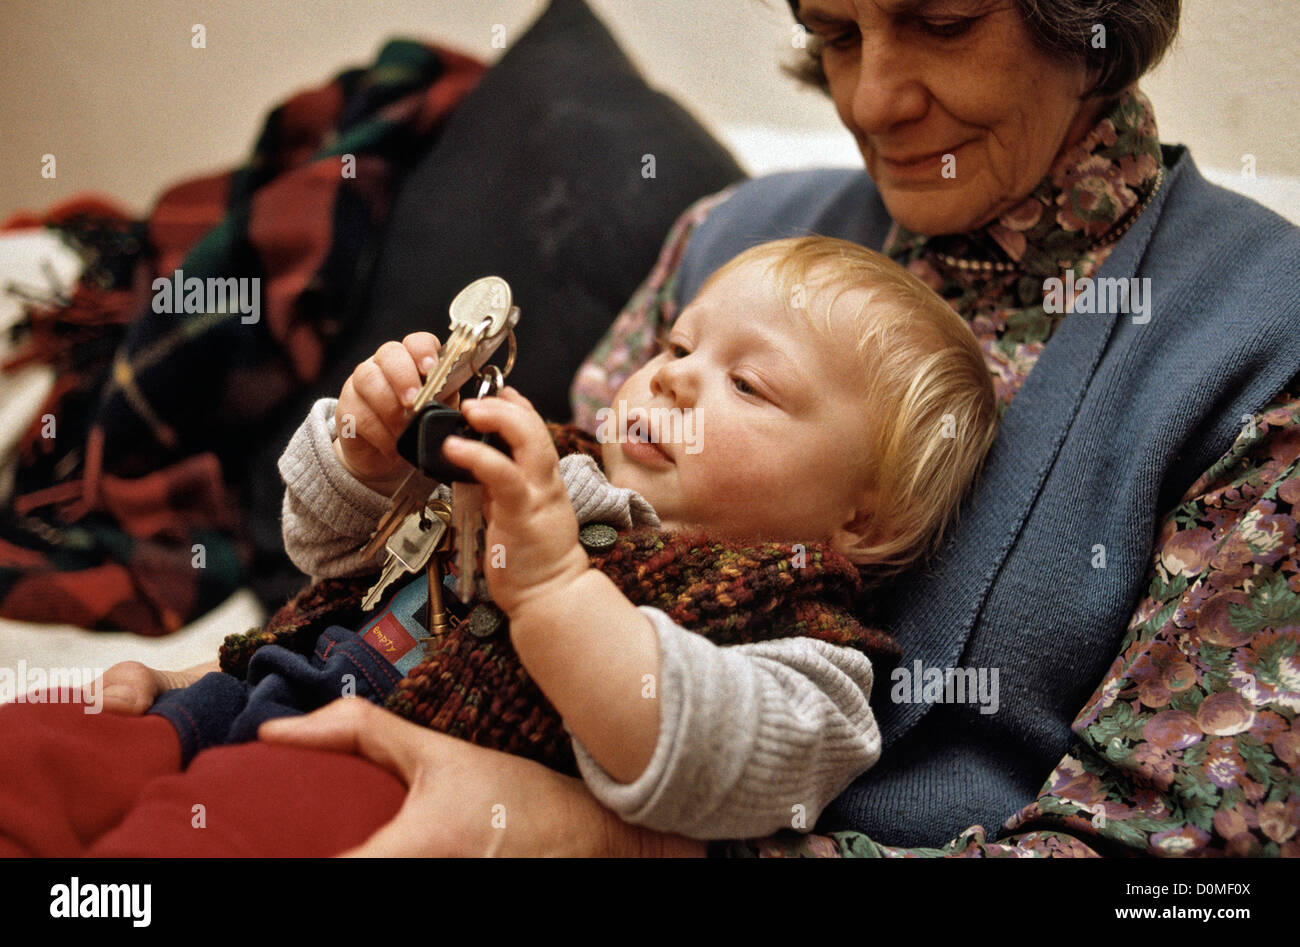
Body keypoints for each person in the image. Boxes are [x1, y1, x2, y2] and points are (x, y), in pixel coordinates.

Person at [261, 0, 1299, 858]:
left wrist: (604, 841)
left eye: (940, 20)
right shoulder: (728, 233)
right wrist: (265, 663)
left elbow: (1175, 868)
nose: (870, 101)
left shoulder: (1264, 342)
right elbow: (518, 564)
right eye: (836, 32)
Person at [0, 236, 998, 853]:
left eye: (751, 385)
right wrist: (366, 451)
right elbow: (336, 556)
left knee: (201, 832)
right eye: (678, 347)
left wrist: (558, 583)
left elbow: (684, 749)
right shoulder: (549, 453)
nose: (673, 379)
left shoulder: (808, 650)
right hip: (253, 684)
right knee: (40, 754)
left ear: (857, 517)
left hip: (394, 786)